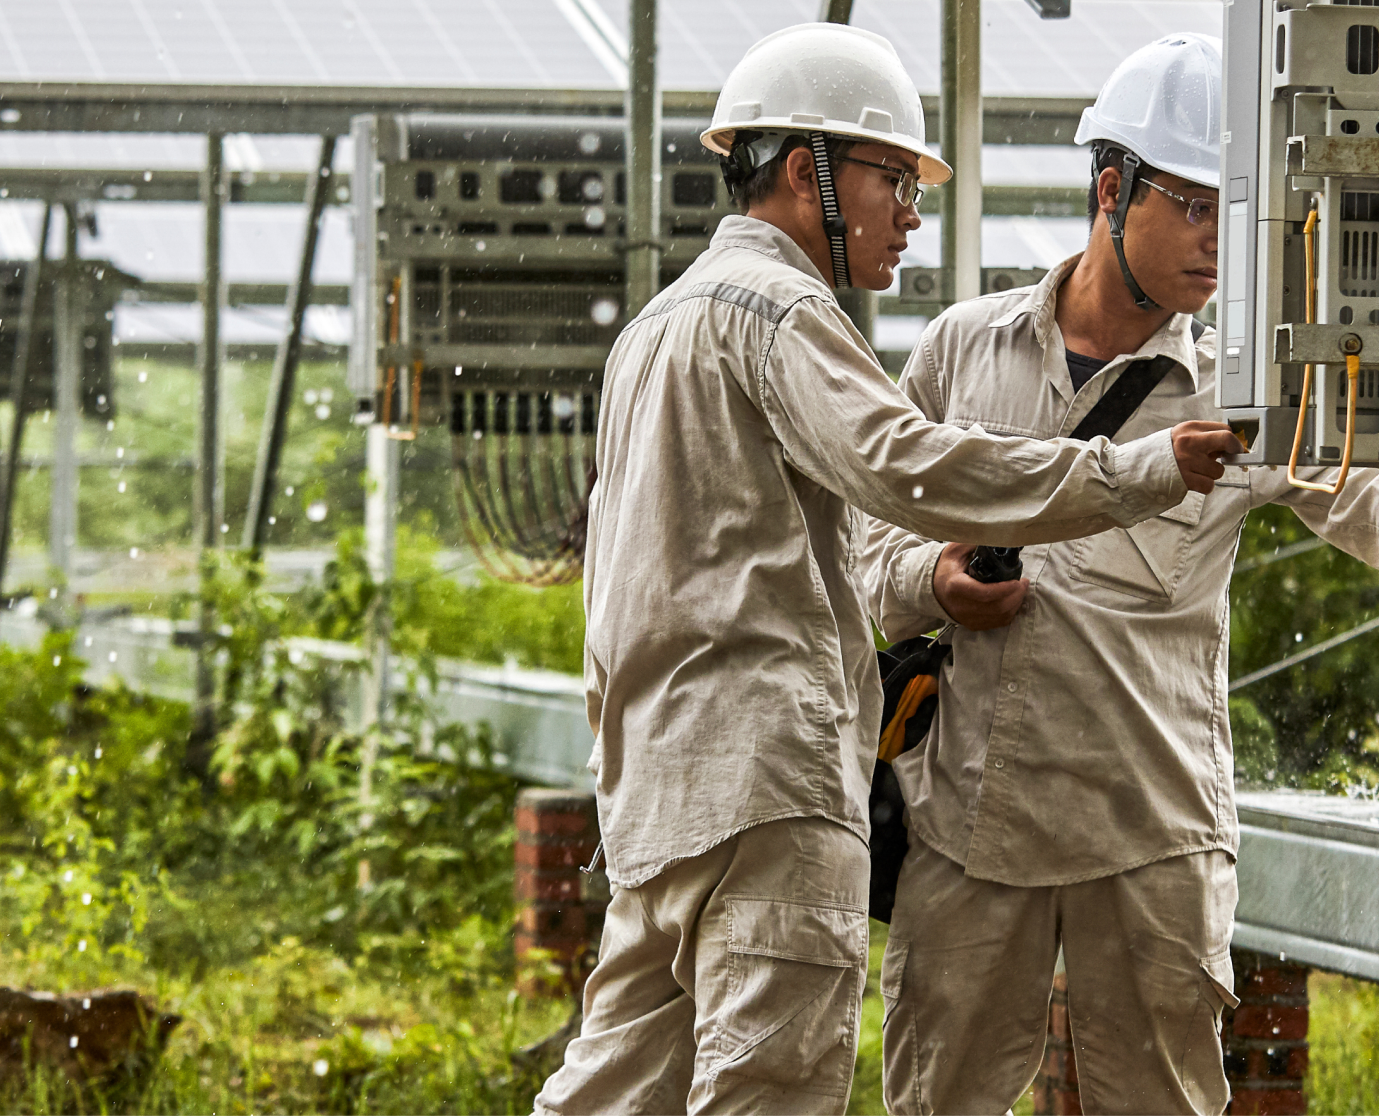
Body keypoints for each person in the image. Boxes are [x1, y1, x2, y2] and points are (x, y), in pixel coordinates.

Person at [533, 24, 1247, 1116]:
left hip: (659, 792)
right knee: (765, 1091)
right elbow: (902, 468)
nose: (911, 213)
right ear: (805, 169)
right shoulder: (784, 313)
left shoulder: (656, 326)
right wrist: (1136, 472)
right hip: (771, 788)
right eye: (891, 180)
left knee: (613, 1092)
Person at [856, 33, 1379, 1116]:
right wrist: (934, 579)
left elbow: (1374, 503)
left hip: (1154, 840)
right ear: (1113, 191)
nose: (1216, 241)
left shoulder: (1247, 388)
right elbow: (867, 540)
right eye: (1191, 205)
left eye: (1230, 211)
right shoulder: (966, 349)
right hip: (970, 828)